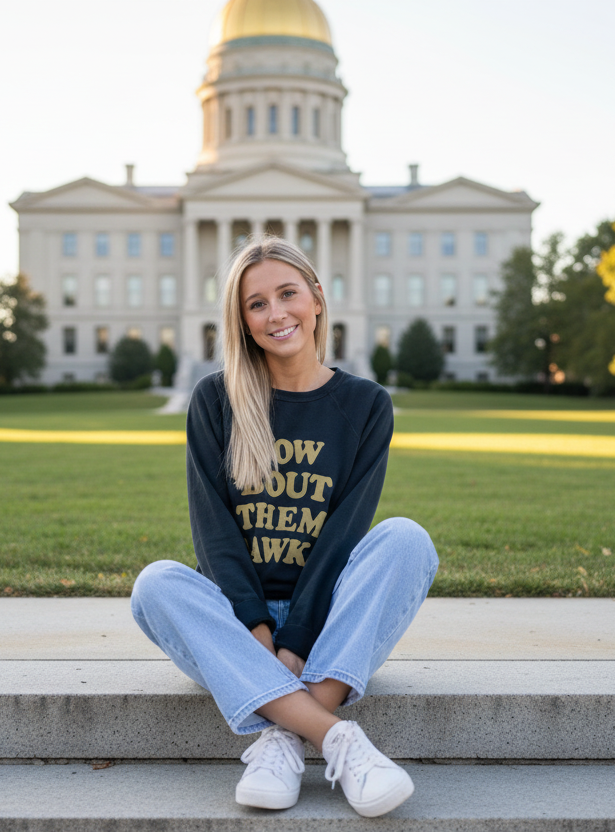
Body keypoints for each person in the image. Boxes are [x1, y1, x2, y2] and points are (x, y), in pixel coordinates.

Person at [130, 236, 438, 818]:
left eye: (288, 294)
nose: (276, 314)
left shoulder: (366, 403)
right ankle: (338, 739)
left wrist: (296, 640)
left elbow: (344, 534)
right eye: (256, 304)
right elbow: (214, 534)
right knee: (156, 583)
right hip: (235, 627)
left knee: (406, 538)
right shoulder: (216, 399)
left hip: (329, 623)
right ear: (242, 321)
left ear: (318, 299)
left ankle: (281, 737)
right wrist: (259, 635)